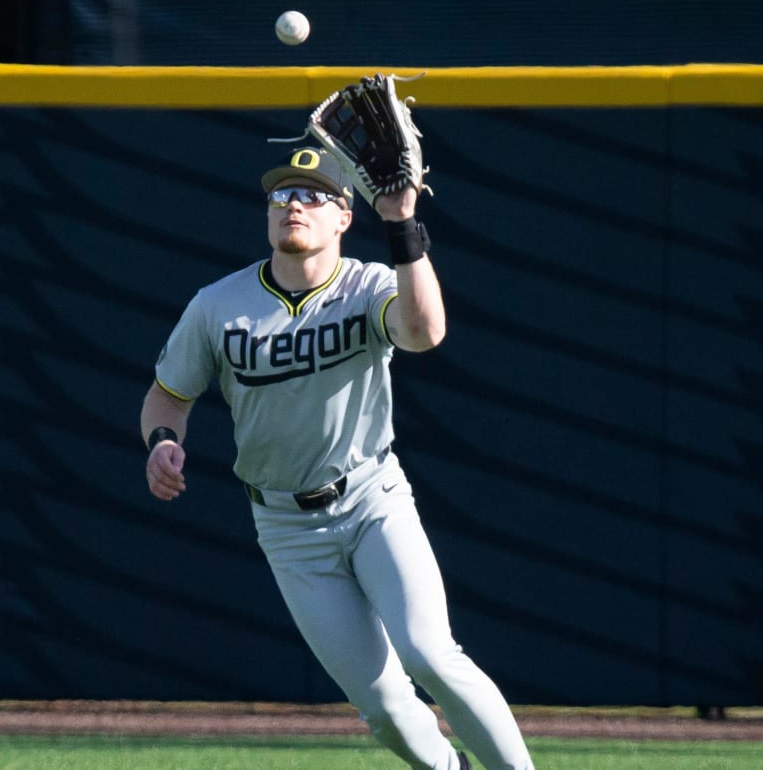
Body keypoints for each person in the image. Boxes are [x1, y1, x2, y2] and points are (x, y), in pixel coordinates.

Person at [140, 146, 536, 770]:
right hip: (286, 526)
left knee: (431, 655)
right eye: (280, 195)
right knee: (381, 706)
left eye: (311, 194)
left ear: (343, 217)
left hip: (372, 498)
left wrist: (403, 224)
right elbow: (167, 398)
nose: (292, 205)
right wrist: (164, 442)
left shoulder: (369, 284)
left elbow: (425, 332)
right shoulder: (218, 304)